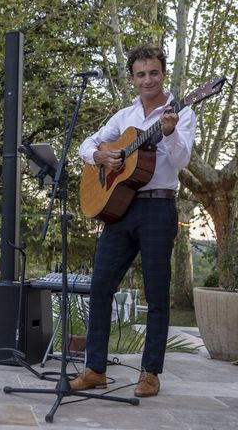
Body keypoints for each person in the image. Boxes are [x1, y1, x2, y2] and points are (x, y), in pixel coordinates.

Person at [73, 44, 196, 397]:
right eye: (140, 74)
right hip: (119, 209)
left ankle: (150, 372)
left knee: (156, 293)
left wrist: (169, 133)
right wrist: (100, 155)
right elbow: (87, 144)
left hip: (158, 207)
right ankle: (95, 368)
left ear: (163, 74)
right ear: (132, 78)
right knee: (100, 286)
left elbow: (182, 159)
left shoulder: (180, 113)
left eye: (153, 73)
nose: (148, 80)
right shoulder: (124, 116)